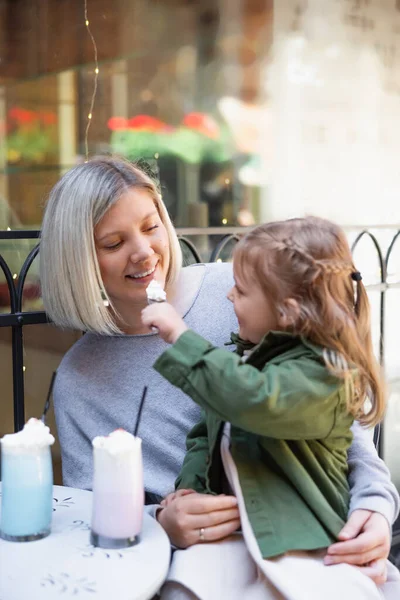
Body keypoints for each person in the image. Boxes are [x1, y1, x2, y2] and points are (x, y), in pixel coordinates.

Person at [39, 156, 398, 590]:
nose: (143, 251)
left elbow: (331, 416)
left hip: (310, 541)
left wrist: (375, 508)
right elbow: (90, 516)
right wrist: (162, 524)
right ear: (79, 260)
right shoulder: (79, 377)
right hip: (198, 570)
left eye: (151, 227)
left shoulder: (245, 293)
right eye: (113, 243)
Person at [142, 216, 400, 599]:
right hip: (237, 538)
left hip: (306, 544)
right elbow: (203, 435)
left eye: (242, 291)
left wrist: (180, 336)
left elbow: (255, 401)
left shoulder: (323, 375)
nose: (229, 296)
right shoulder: (249, 362)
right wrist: (191, 488)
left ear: (289, 311)